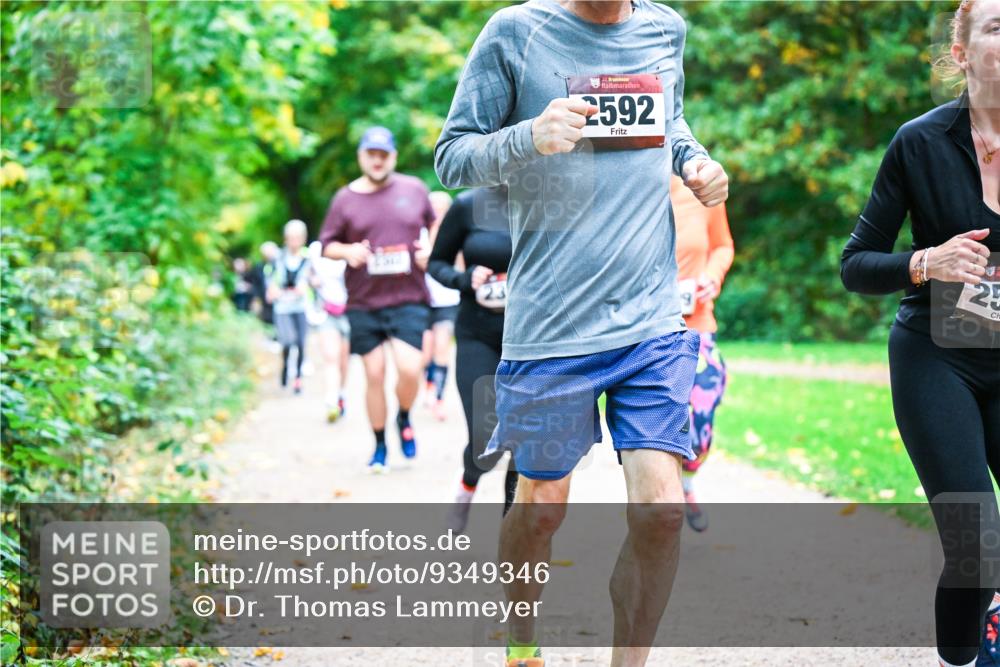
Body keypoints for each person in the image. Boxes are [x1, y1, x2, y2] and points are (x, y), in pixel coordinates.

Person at [435, 1, 729, 665]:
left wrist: (696, 160)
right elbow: (451, 158)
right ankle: (520, 641)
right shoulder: (515, 33)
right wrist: (528, 137)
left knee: (659, 511)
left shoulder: (664, 29)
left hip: (650, 321)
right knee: (540, 507)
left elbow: (672, 120)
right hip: (551, 328)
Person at [841, 2, 999, 665]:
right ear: (961, 54)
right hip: (940, 356)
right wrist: (924, 262)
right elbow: (855, 265)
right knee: (977, 542)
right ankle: (961, 657)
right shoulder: (921, 142)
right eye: (997, 26)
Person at [320, 126, 436, 472]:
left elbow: (437, 224)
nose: (377, 160)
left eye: (383, 154)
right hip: (364, 301)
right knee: (374, 374)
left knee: (410, 368)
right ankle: (380, 445)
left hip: (409, 297)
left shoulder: (414, 189)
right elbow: (327, 245)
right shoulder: (344, 199)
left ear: (393, 157)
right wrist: (348, 250)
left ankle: (403, 416)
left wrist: (432, 247)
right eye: (371, 154)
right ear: (361, 157)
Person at [427, 186, 519, 533]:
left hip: (531, 341)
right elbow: (437, 263)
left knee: (524, 440)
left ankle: (514, 528)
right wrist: (464, 279)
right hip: (477, 335)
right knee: (486, 439)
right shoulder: (468, 205)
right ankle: (466, 486)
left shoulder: (549, 202)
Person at [670, 174, 734, 532]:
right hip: (643, 331)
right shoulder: (623, 183)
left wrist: (713, 275)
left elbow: (722, 245)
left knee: (702, 415)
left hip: (695, 324)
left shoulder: (699, 185)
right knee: (655, 424)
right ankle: (658, 498)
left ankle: (687, 481)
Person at [422, 190, 462, 421]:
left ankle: (438, 397)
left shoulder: (456, 233)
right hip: (424, 299)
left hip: (448, 299)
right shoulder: (419, 234)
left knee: (441, 348)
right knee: (424, 352)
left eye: (441, 207)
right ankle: (428, 383)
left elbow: (463, 264)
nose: (437, 211)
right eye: (433, 207)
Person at [266, 220, 312, 395]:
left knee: (301, 343)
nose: (294, 241)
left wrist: (308, 285)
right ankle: (286, 366)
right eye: (291, 237)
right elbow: (269, 279)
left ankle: (298, 378)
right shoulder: (278, 258)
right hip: (283, 308)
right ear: (286, 239)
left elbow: (315, 279)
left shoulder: (308, 258)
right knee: (288, 342)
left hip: (300, 306)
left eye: (298, 237)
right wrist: (272, 290)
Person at [308, 241, 351, 422]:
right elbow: (308, 274)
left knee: (343, 360)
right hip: (326, 312)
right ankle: (331, 400)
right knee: (330, 357)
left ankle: (340, 393)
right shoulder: (316, 249)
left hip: (349, 312)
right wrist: (312, 281)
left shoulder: (352, 246)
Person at [251, 241, 280, 329]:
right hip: (264, 300)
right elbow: (256, 284)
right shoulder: (259, 267)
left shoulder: (280, 265)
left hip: (280, 299)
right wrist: (256, 298)